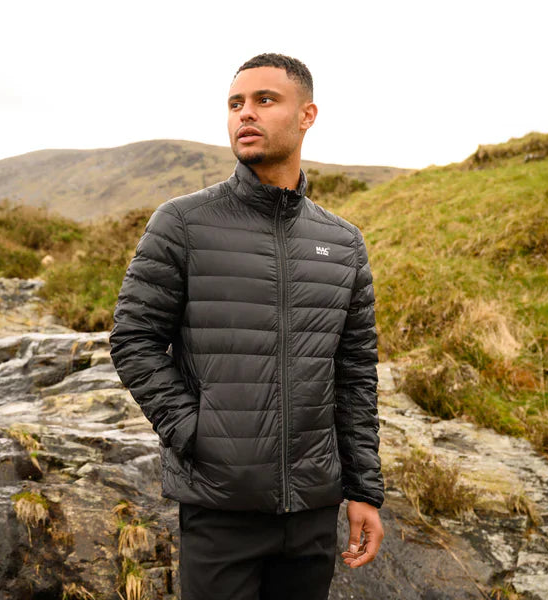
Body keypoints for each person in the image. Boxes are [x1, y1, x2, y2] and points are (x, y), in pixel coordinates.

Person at [109, 53, 384, 600]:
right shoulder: (182, 222)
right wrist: (196, 433)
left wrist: (364, 490)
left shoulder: (344, 242)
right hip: (220, 507)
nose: (245, 114)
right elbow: (133, 340)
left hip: (311, 511)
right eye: (236, 103)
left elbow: (354, 375)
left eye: (264, 100)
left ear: (307, 115)